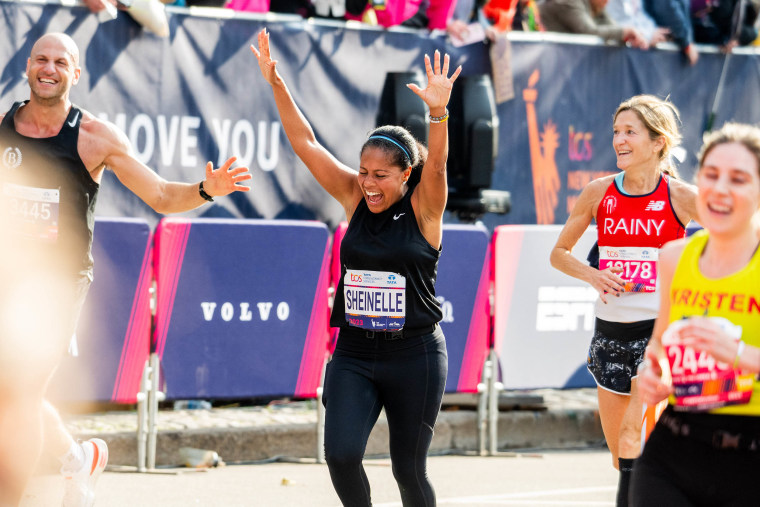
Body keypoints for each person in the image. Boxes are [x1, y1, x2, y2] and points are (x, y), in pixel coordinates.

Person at [0, 32, 251, 507]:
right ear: (28, 66)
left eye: (60, 61)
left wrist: (206, 188)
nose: (49, 68)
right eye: (41, 59)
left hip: (57, 285)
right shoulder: (3, 127)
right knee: (11, 394)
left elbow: (158, 195)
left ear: (75, 73)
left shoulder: (95, 138)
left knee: (20, 392)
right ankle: (76, 458)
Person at [251, 28, 459, 506]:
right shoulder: (353, 196)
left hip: (416, 355)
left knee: (409, 471)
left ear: (407, 175)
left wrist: (438, 112)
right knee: (341, 455)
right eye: (363, 171)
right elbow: (305, 144)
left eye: (380, 175)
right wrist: (277, 83)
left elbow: (440, 165)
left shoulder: (427, 207)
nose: (367, 183)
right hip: (355, 352)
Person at [549, 95, 697, 507]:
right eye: (616, 131)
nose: (619, 140)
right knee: (622, 458)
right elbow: (558, 253)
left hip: (657, 338)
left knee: (633, 440)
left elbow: (738, 227)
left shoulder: (681, 197)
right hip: (607, 335)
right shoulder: (598, 193)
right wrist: (595, 275)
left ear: (658, 141)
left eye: (630, 132)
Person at [631, 122, 760, 506]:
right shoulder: (675, 255)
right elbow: (660, 343)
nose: (720, 189)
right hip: (675, 448)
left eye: (738, 179)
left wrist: (740, 355)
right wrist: (654, 373)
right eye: (712, 175)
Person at [538, 0, 650, 49]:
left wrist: (633, 37)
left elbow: (613, 27)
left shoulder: (595, 4)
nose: (608, 1)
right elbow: (588, 31)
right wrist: (625, 32)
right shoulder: (569, 2)